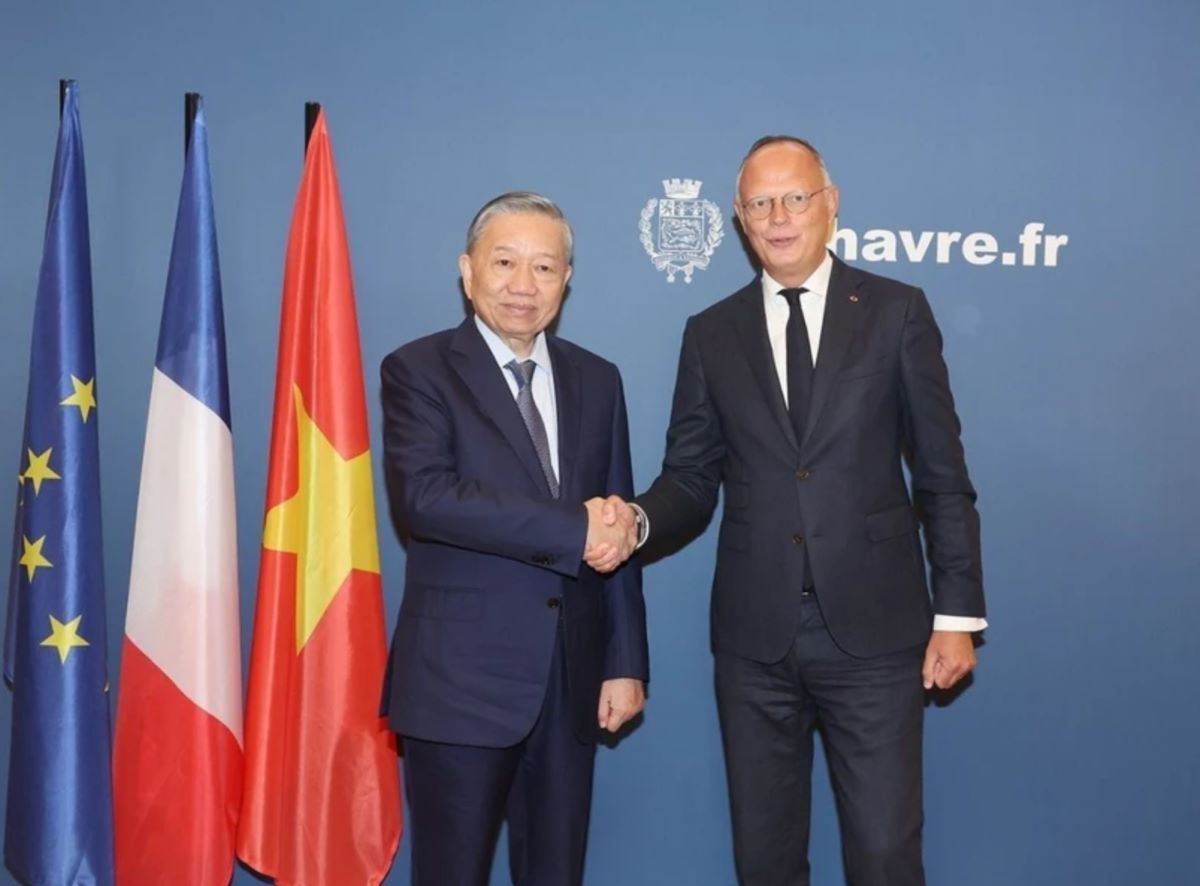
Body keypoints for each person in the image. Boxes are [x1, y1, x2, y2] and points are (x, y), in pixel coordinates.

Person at [596, 136, 986, 886]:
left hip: (877, 637)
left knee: (884, 855)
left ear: (829, 204)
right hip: (755, 644)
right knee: (764, 861)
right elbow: (689, 477)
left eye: (794, 198)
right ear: (740, 220)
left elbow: (942, 475)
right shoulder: (711, 333)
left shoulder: (897, 312)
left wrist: (958, 613)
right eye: (759, 203)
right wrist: (637, 523)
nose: (779, 217)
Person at [380, 191, 648, 886]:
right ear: (467, 270)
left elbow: (615, 523)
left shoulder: (599, 379)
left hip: (571, 678)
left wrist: (624, 659)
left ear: (567, 279)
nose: (523, 286)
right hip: (459, 683)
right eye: (504, 263)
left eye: (545, 267)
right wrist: (574, 527)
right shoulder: (418, 370)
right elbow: (427, 499)